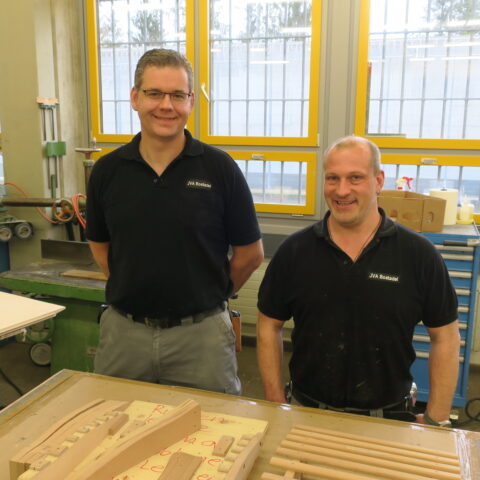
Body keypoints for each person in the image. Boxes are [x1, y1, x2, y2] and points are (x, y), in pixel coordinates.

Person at [86, 49, 263, 395]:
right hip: (124, 335)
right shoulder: (108, 171)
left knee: (213, 423)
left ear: (191, 101)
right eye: (154, 93)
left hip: (202, 338)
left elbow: (250, 254)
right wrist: (135, 288)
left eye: (177, 95)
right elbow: (100, 245)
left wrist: (209, 296)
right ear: (135, 98)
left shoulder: (220, 169)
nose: (166, 105)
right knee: (116, 421)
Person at [257, 135, 460, 425]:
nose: (342, 190)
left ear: (378, 181)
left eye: (355, 178)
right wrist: (275, 401)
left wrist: (436, 417)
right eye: (333, 178)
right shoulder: (294, 251)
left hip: (388, 417)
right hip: (306, 411)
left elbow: (446, 336)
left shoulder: (418, 254)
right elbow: (268, 324)